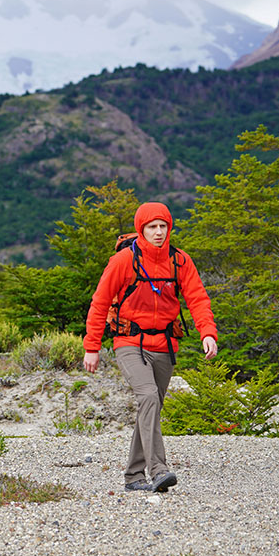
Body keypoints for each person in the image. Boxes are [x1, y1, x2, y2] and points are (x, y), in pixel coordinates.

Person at [82, 202, 217, 493]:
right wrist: (92, 347)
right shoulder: (123, 261)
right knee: (148, 396)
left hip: (165, 345)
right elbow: (100, 302)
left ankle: (133, 476)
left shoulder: (180, 261)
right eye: (152, 227)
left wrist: (207, 333)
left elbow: (197, 298)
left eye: (163, 226)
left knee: (151, 407)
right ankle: (158, 470)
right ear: (141, 229)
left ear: (169, 228)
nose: (158, 232)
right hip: (129, 342)